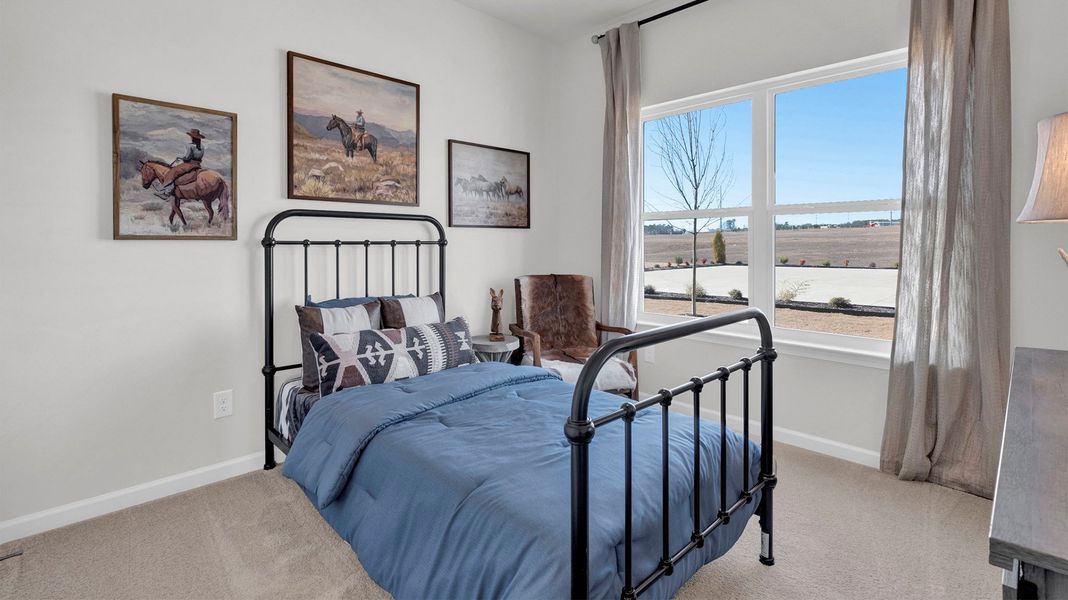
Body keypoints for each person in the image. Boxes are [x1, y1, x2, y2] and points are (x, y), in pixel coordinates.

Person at [155, 129, 205, 200]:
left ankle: (166, 192)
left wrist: (180, 157)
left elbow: (187, 157)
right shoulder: (202, 146)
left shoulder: (190, 146)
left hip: (189, 164)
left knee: (173, 172)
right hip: (198, 165)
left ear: (192, 137)